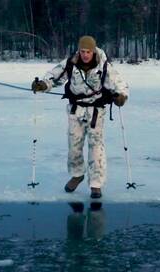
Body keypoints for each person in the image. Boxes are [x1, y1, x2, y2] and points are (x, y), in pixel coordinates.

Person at [32, 36, 129, 199]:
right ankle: (77, 175)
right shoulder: (71, 63)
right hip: (75, 110)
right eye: (82, 51)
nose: (85, 55)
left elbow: (119, 83)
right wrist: (42, 85)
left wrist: (121, 96)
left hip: (95, 111)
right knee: (74, 145)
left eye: (88, 52)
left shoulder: (103, 65)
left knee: (96, 147)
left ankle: (96, 184)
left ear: (93, 51)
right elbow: (53, 77)